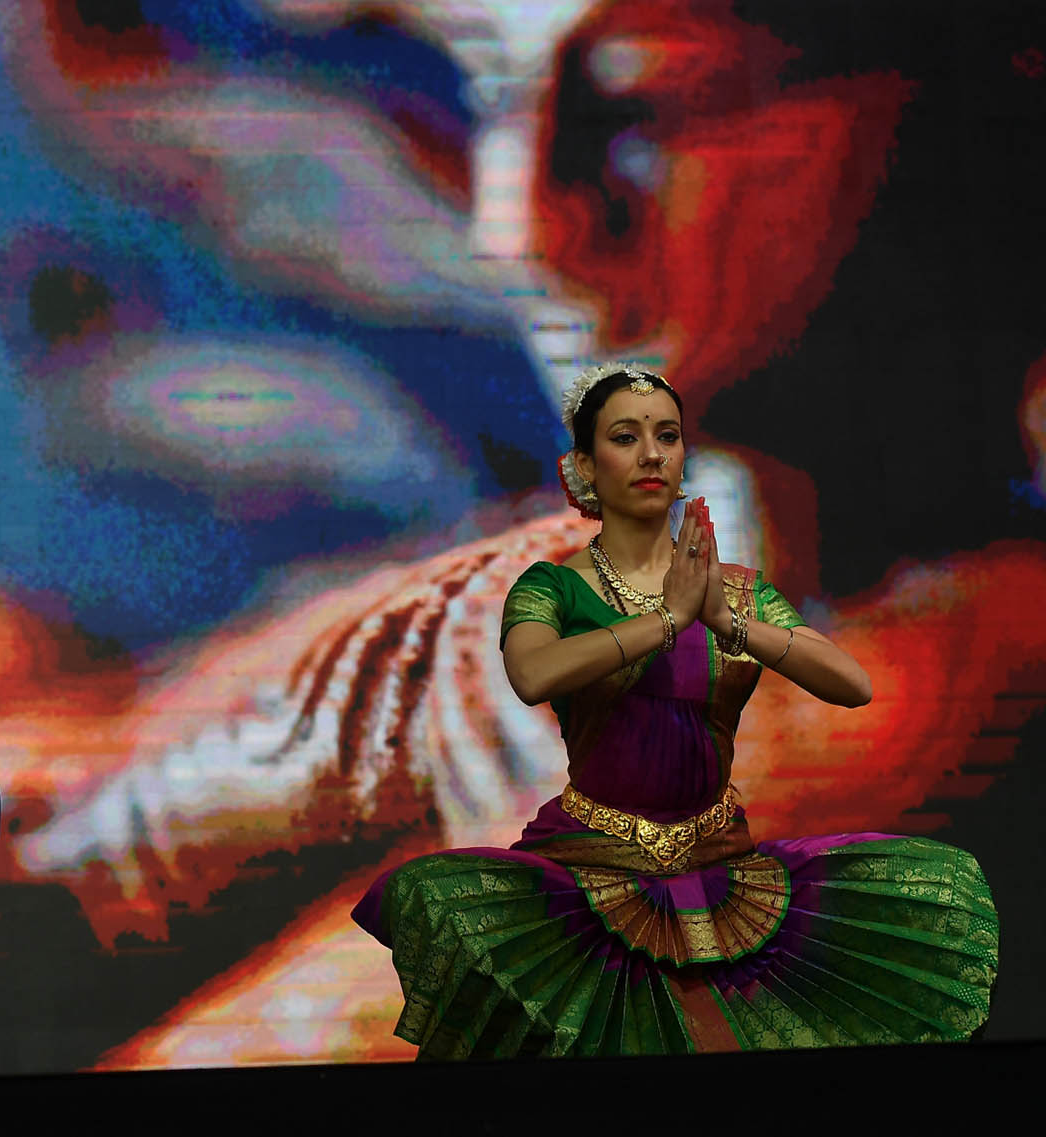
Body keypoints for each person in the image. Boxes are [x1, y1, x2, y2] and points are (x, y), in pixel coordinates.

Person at [351, 363, 998, 1055]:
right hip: (588, 854)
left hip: (723, 854)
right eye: (626, 437)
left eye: (666, 435)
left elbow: (850, 684)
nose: (651, 455)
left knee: (932, 885)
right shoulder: (547, 582)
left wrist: (733, 622)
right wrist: (664, 621)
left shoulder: (736, 585)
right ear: (583, 470)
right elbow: (533, 671)